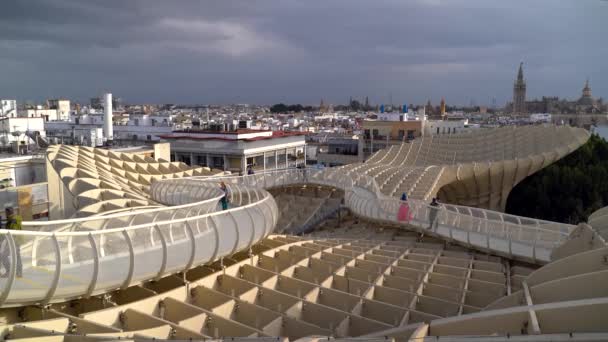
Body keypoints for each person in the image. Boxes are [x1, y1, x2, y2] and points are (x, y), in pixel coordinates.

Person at [0, 207, 23, 278]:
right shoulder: (15, 219)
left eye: (6, 212)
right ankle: (18, 273)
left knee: (4, 255)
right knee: (17, 256)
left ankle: (10, 271)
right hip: (15, 241)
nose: (5, 214)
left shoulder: (13, 220)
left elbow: (13, 232)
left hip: (14, 242)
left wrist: (4, 239)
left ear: (8, 212)